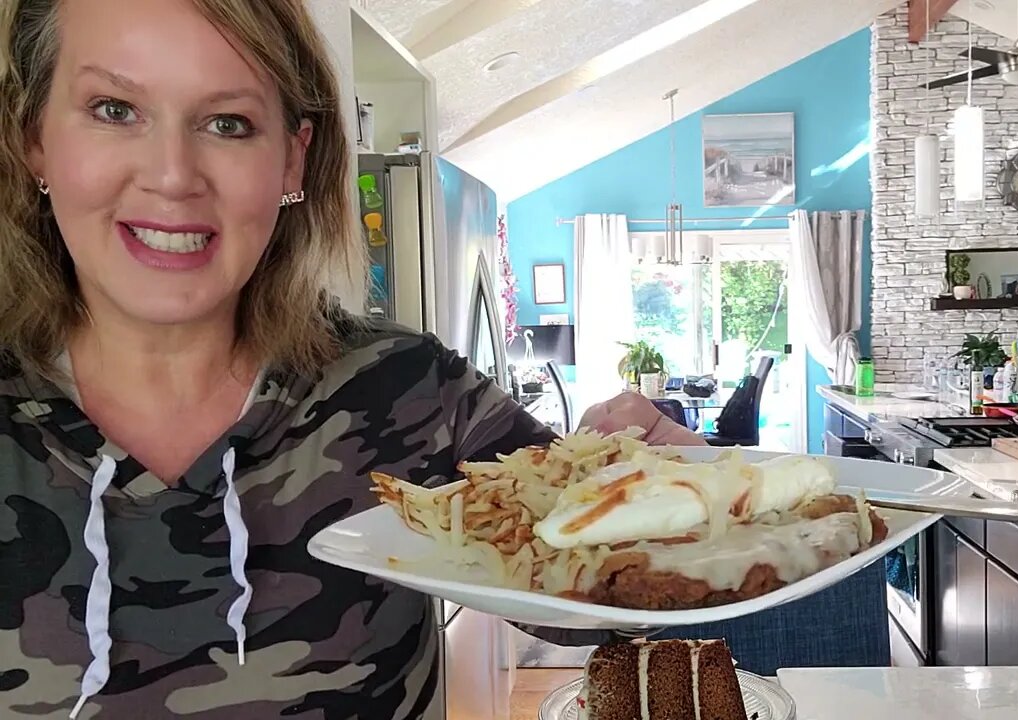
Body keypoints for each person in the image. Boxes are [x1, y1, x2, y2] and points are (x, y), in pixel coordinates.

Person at [0, 1, 697, 717]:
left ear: (292, 159)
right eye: (114, 109)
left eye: (228, 123)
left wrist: (651, 497)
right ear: (35, 139)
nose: (173, 175)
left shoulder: (409, 389)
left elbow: (588, 600)